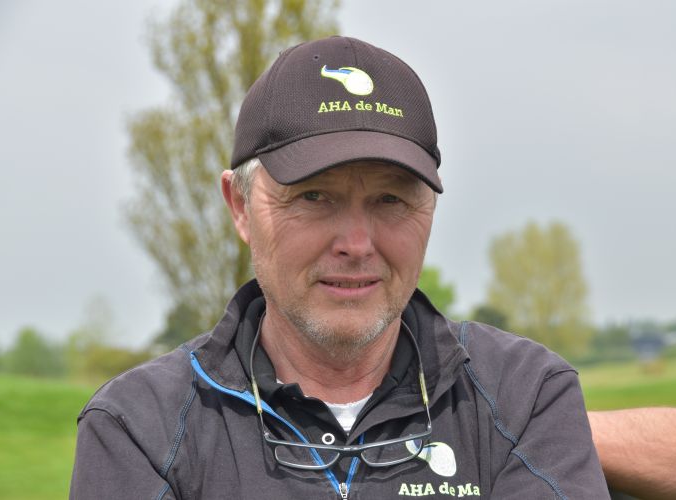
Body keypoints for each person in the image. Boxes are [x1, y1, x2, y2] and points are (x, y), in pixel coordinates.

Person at [70, 36, 609, 498]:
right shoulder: (138, 427)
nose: (356, 244)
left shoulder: (526, 395)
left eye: (391, 199)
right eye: (314, 196)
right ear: (240, 206)